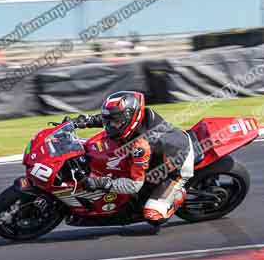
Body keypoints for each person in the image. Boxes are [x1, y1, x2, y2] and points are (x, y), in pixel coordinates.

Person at [70, 91, 195, 232]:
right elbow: (112, 118)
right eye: (109, 121)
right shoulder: (138, 117)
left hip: (178, 164)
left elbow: (134, 185)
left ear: (130, 119)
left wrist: (102, 183)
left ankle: (177, 195)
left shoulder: (141, 146)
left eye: (116, 122)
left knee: (153, 215)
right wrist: (83, 121)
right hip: (161, 151)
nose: (110, 126)